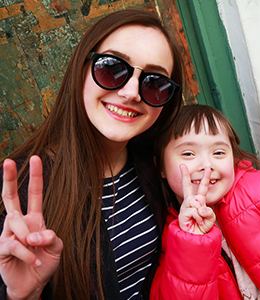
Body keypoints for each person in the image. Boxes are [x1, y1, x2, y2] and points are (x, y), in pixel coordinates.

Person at [0, 9, 183, 300]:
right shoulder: (17, 192)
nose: (131, 92)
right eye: (112, 67)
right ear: (81, 69)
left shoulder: (157, 165)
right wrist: (23, 295)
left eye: (154, 83)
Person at [150, 104, 260, 300]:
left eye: (218, 152)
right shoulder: (173, 235)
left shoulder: (258, 189)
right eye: (188, 153)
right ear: (160, 166)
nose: (206, 165)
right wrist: (191, 241)